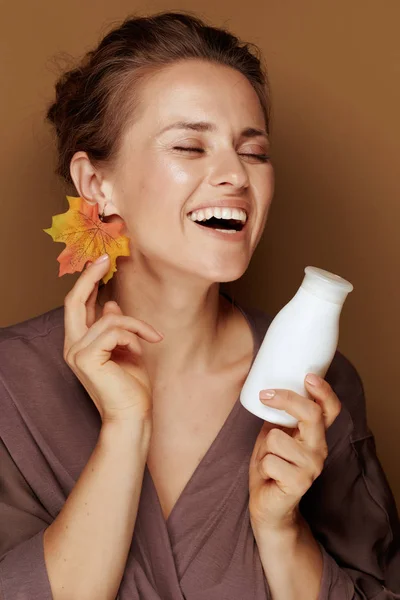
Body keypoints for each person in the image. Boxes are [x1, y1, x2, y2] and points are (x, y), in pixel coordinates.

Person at [0, 10, 399, 600]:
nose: (235, 174)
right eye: (190, 145)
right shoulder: (10, 386)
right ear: (96, 184)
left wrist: (281, 531)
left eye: (254, 152)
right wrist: (124, 430)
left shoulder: (317, 387)